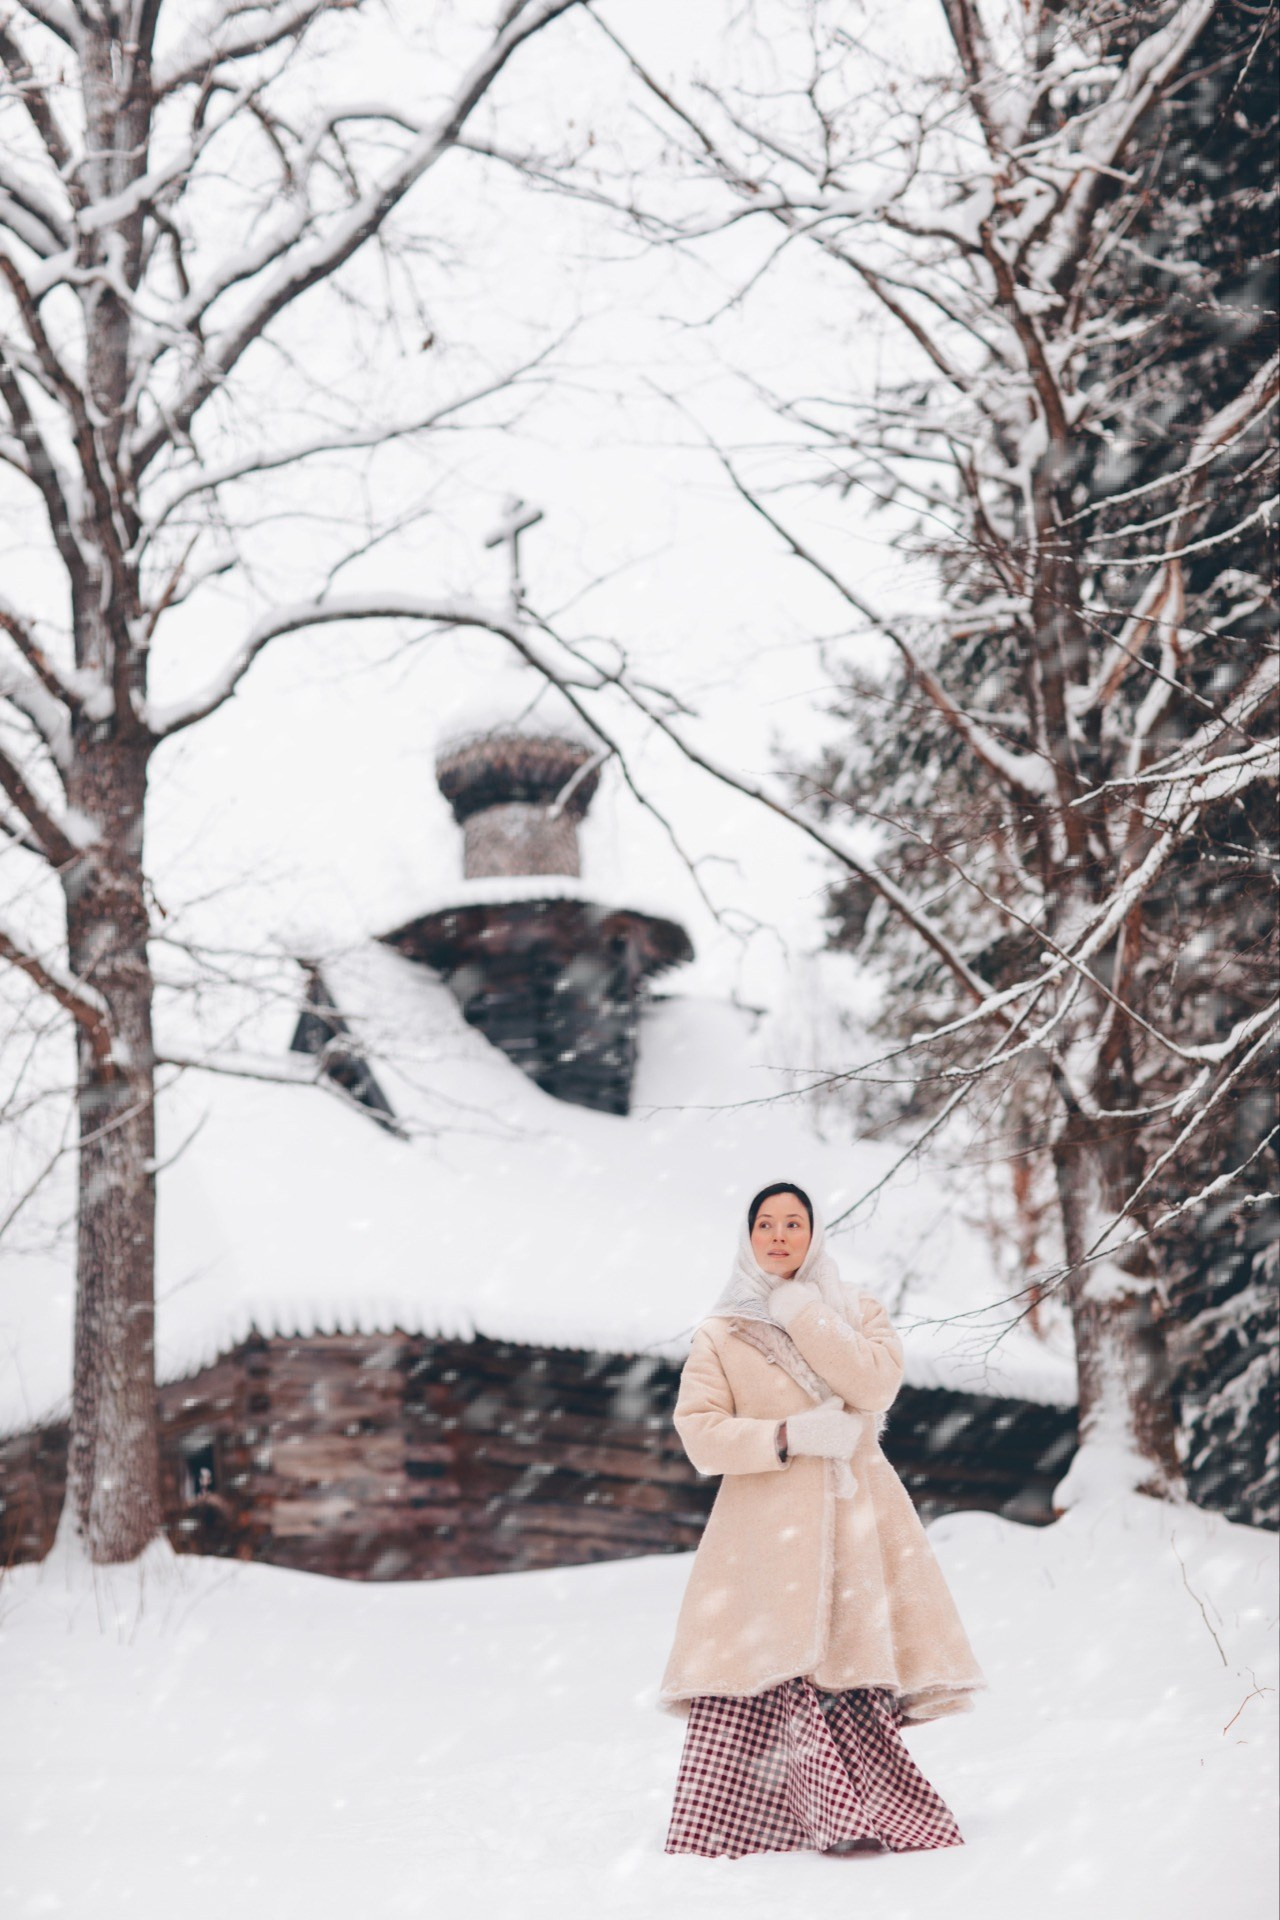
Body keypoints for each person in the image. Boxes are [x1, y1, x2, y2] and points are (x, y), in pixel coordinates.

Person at [659, 1181, 985, 1859]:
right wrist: (786, 1436)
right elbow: (699, 1434)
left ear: (815, 1235)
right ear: (748, 1236)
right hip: (759, 1529)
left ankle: (861, 1815)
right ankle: (740, 1823)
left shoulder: (857, 1308)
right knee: (757, 1665)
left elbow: (874, 1385)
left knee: (847, 1661)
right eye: (766, 1224)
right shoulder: (721, 1331)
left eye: (794, 1223)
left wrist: (803, 1309)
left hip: (854, 1520)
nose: (778, 1236)